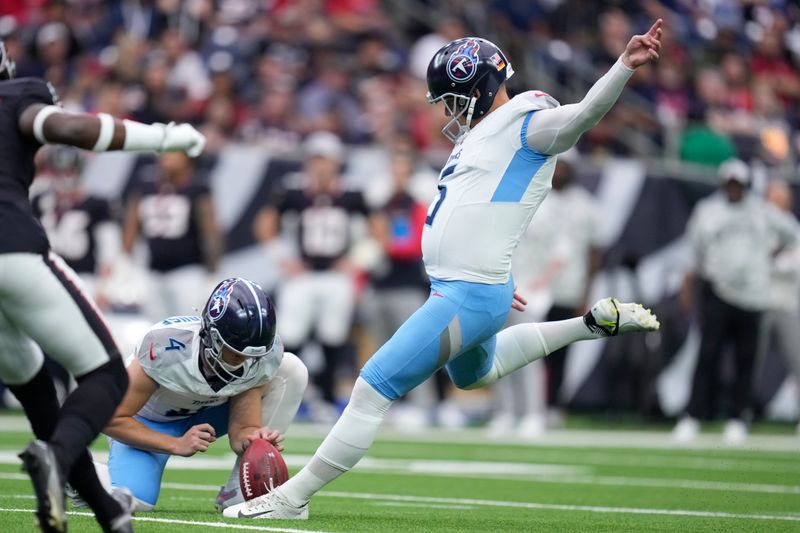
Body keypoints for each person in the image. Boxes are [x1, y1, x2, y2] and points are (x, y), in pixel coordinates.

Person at [225, 21, 663, 520]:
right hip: (473, 286)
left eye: (453, 99)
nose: (449, 111)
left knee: (372, 388)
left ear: (477, 90)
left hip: (469, 291)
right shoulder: (485, 135)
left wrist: (622, 67)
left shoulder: (528, 121)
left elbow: (584, 115)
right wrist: (495, 274)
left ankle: (291, 498)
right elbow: (481, 211)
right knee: (478, 373)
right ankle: (590, 325)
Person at [0, 39, 205, 533]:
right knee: (107, 374)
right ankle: (56, 455)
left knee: (40, 397)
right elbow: (71, 127)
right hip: (11, 249)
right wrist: (162, 137)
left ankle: (107, 511)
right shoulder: (16, 97)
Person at [80, 277, 307, 513]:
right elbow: (111, 418)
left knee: (291, 369)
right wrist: (176, 444)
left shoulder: (261, 355)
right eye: (237, 353)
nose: (247, 362)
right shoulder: (166, 346)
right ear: (213, 336)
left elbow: (242, 429)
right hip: (147, 421)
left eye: (255, 356)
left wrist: (255, 438)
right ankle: (75, 469)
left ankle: (239, 492)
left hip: (207, 414)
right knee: (133, 501)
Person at [672, 160, 799, 445]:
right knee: (708, 357)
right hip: (718, 291)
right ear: (721, 184)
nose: (733, 189)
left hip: (755, 297)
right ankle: (693, 417)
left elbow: (793, 234)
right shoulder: (708, 211)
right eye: (729, 183)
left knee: (746, 361)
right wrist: (687, 286)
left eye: (738, 184)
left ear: (747, 185)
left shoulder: (763, 211)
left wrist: (774, 257)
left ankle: (738, 418)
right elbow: (692, 250)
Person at [253, 131, 373, 420]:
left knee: (333, 337)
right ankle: (283, 395)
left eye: (325, 160)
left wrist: (357, 262)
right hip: (303, 276)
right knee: (291, 336)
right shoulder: (293, 191)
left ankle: (328, 399)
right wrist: (283, 259)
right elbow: (265, 223)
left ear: (336, 162)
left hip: (335, 276)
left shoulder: (351, 192)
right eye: (315, 160)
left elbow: (378, 229)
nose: (320, 166)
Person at [121, 150, 222, 320]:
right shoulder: (146, 186)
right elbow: (132, 225)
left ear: (188, 157)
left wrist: (213, 272)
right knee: (155, 330)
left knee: (189, 328)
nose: (166, 155)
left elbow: (210, 231)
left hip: (187, 272)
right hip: (152, 272)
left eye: (174, 151)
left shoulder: (197, 188)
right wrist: (125, 262)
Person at [756, 181, 800, 436]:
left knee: (798, 362)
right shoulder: (755, 227)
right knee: (747, 362)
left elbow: (794, 267)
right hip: (759, 303)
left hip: (788, 304)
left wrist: (772, 262)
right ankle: (739, 415)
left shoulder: (793, 229)